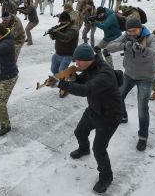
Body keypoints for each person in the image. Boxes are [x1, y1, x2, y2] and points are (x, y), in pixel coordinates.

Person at [47, 43, 123, 194]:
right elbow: (81, 81)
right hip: (94, 109)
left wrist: (60, 84)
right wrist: (73, 77)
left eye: (78, 61)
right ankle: (83, 149)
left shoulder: (104, 74)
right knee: (79, 132)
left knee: (99, 149)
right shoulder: (89, 67)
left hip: (109, 116)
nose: (76, 63)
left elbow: (86, 90)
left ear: (89, 59)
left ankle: (106, 177)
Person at [106, 19, 155, 151]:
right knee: (118, 96)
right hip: (129, 75)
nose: (132, 33)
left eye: (134, 31)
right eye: (129, 31)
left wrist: (143, 49)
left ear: (140, 28)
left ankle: (143, 137)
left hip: (145, 78)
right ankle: (123, 116)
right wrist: (124, 46)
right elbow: (109, 46)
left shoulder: (152, 38)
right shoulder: (126, 36)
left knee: (142, 109)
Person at [49, 12, 79, 98]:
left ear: (68, 21)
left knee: (62, 71)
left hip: (67, 54)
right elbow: (53, 37)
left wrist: (56, 32)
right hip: (58, 53)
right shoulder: (61, 27)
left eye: (63, 22)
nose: (61, 24)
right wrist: (52, 33)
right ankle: (70, 75)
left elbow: (66, 38)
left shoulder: (73, 29)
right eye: (60, 22)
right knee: (54, 70)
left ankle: (65, 88)